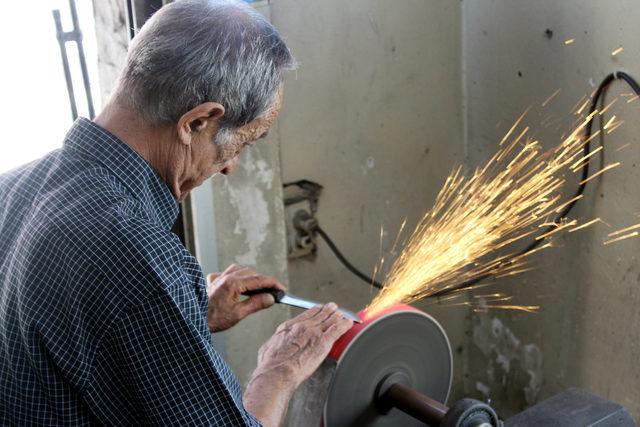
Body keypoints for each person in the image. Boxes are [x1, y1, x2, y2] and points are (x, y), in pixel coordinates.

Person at [0, 0, 352, 425]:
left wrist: (188, 315)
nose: (229, 166)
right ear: (198, 121)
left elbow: (62, 350)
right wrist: (280, 370)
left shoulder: (14, 186)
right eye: (240, 142)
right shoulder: (137, 254)